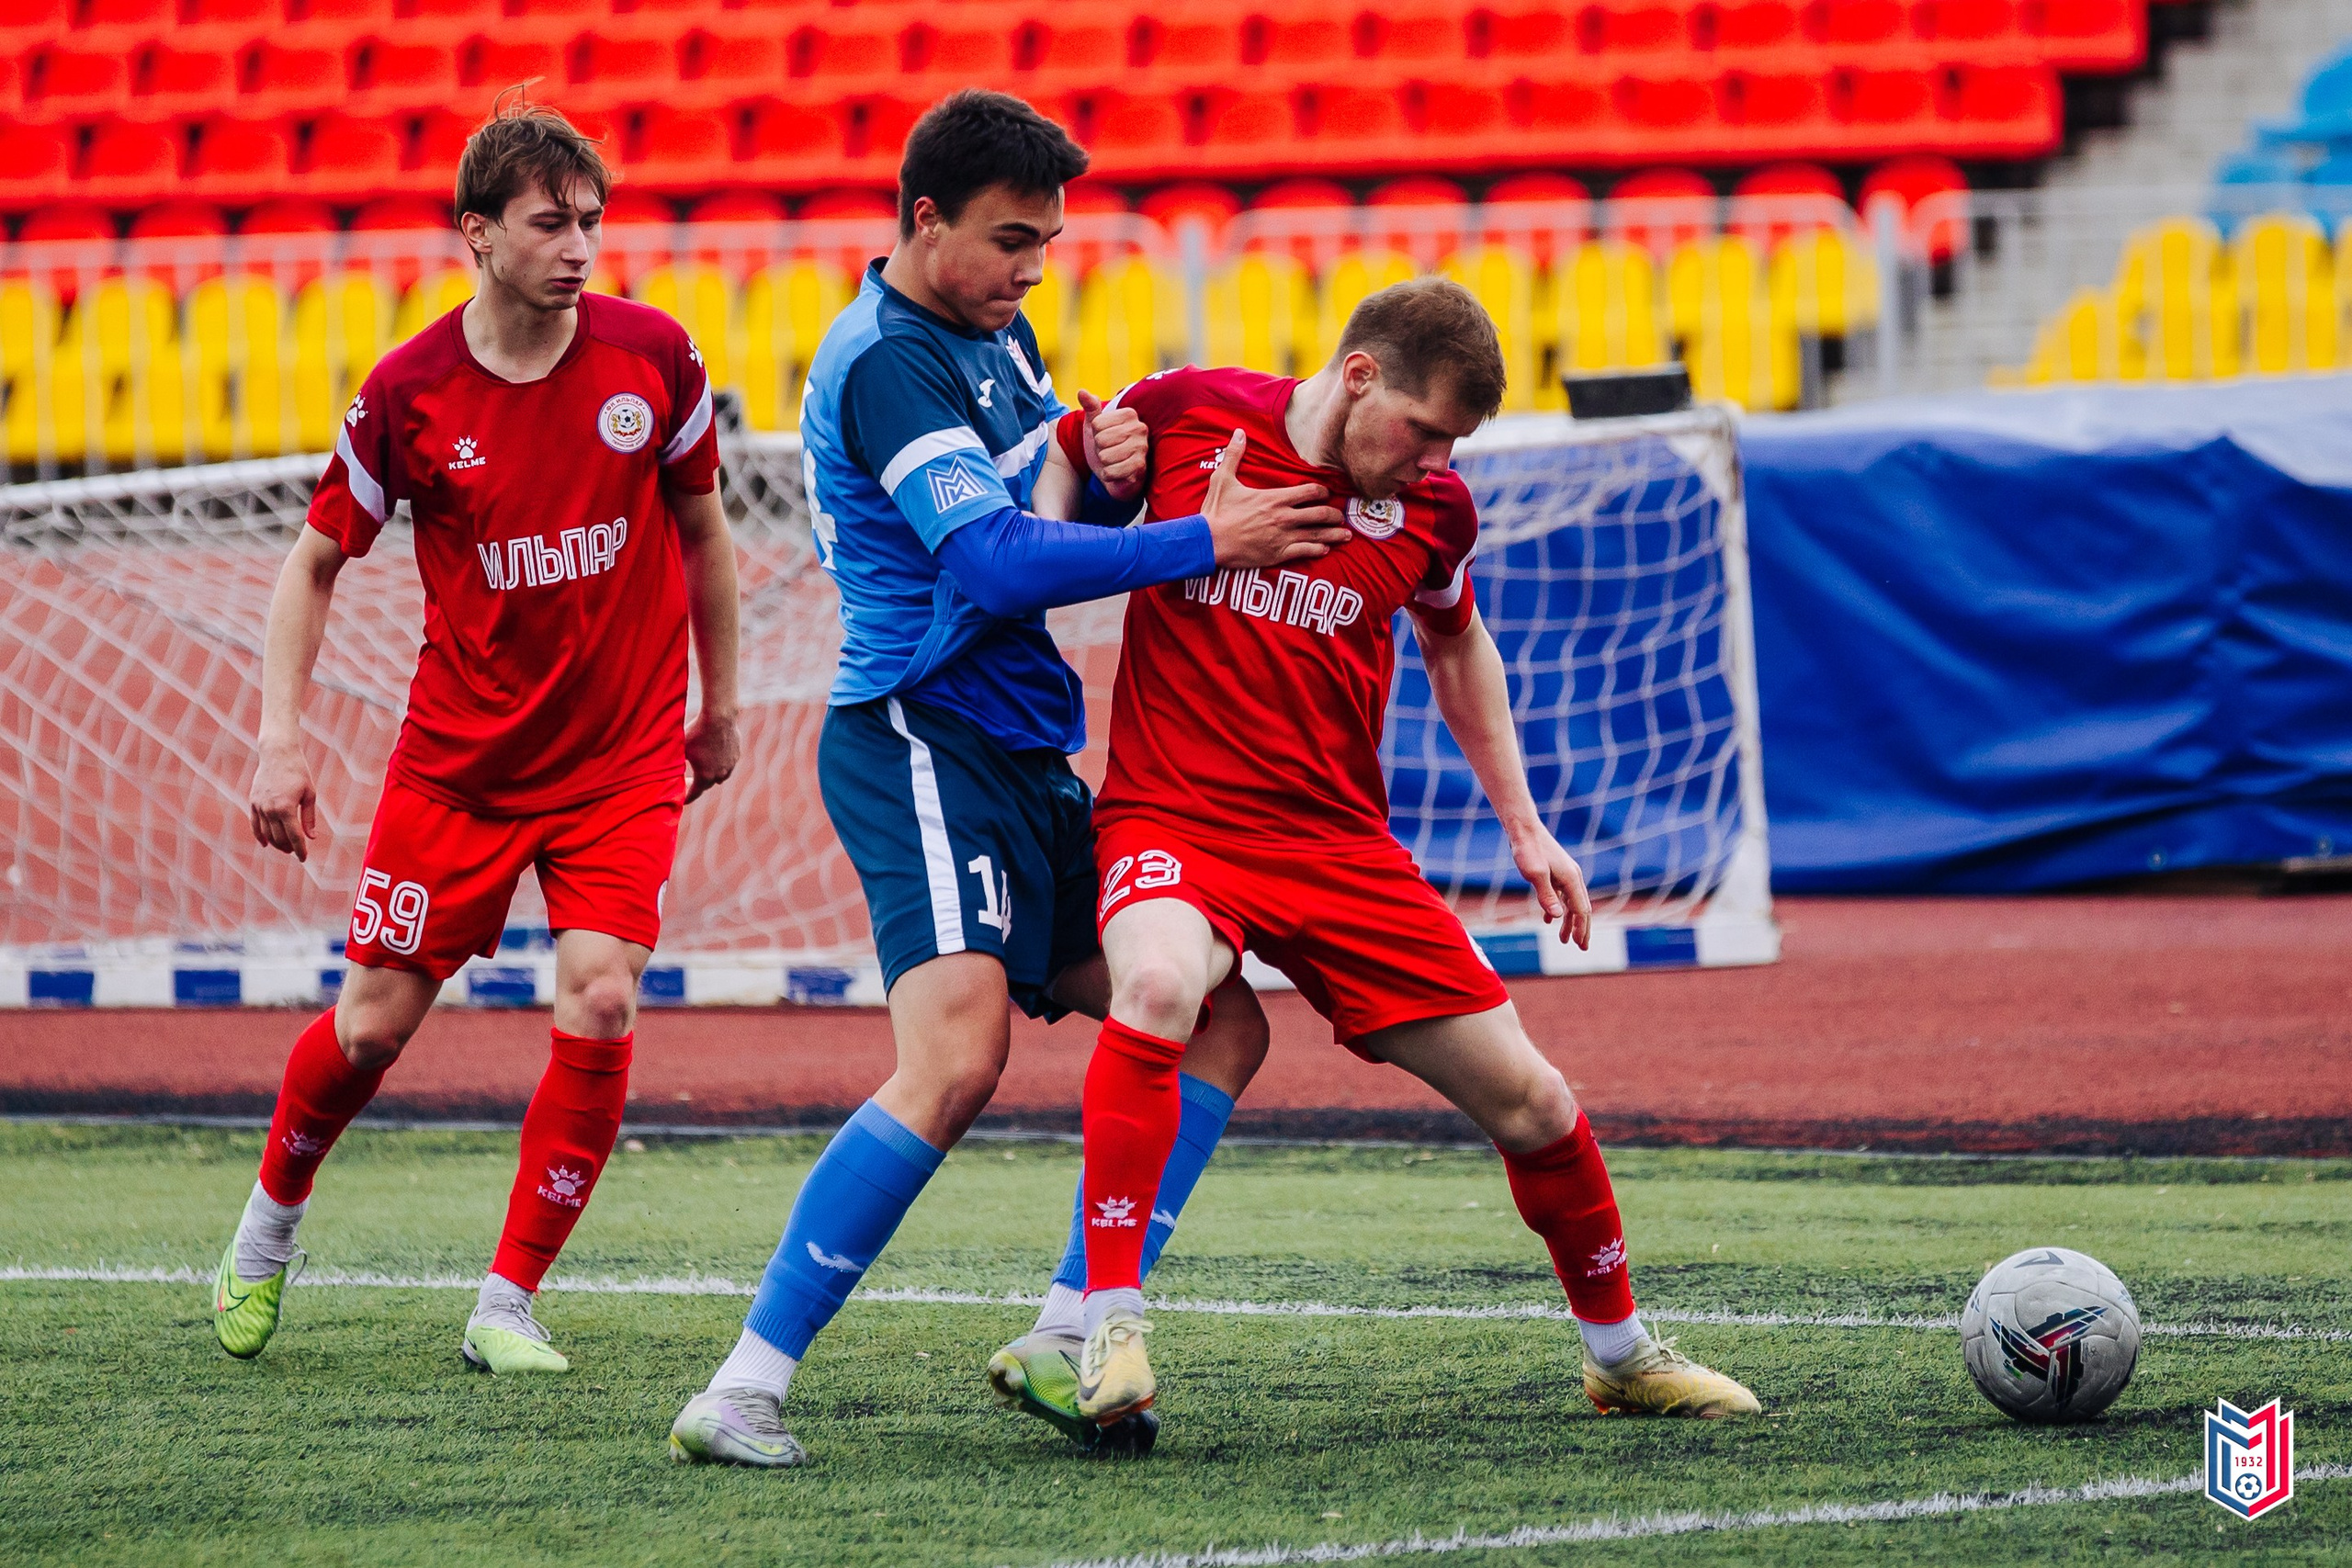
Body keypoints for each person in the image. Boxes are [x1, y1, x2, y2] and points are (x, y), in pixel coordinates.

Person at [665, 90, 1348, 1468]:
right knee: (959, 1054)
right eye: (1011, 240)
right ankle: (740, 1386)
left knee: (1217, 1025)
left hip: (1022, 749)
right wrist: (1205, 537)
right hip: (918, 736)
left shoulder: (994, 327)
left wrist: (1106, 471)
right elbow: (989, 565)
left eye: (1045, 244)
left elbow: (1048, 514)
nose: (1034, 270)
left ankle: (1063, 1326)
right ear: (926, 222)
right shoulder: (886, 361)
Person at [1043, 279, 1762, 1432]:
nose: (1434, 462)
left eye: (1454, 444)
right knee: (1163, 983)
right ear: (1361, 374)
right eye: (1425, 432)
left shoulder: (1436, 514)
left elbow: (1458, 640)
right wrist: (1091, 457)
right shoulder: (1183, 416)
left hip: (1337, 846)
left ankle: (1620, 1352)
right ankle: (1099, 1324)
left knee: (1533, 1100)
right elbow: (1056, 485)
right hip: (1174, 819)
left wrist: (1527, 827)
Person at [214, 97, 741, 1377]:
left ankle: (507, 1297)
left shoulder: (656, 358)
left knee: (604, 995)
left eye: (593, 223)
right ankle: (263, 1236)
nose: (580, 248)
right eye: (551, 224)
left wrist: (719, 699)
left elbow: (705, 531)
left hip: (619, 757)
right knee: (373, 1026)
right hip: (460, 762)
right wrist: (280, 739)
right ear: (478, 234)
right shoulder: (407, 394)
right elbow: (312, 564)